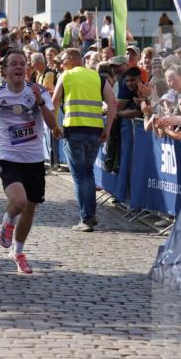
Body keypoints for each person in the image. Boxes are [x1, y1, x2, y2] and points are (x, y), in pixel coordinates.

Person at [0, 48, 58, 274]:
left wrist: (40, 103)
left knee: (30, 209)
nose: (18, 67)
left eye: (22, 64)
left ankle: (18, 252)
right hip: (10, 158)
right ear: (5, 70)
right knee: (18, 202)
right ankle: (7, 221)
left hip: (35, 160)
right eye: (14, 64)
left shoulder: (38, 92)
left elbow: (52, 124)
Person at [52, 46, 116, 232]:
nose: (62, 65)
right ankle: (90, 214)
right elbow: (112, 102)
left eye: (63, 60)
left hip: (74, 130)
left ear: (72, 59)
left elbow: (55, 101)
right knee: (88, 173)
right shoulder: (97, 76)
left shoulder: (66, 76)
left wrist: (55, 125)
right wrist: (108, 128)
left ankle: (86, 218)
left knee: (80, 176)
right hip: (95, 131)